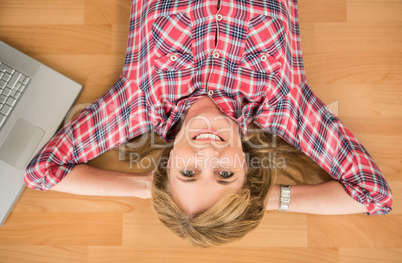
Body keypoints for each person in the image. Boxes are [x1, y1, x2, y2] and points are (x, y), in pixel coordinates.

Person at [24, 0, 393, 247]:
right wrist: (264, 200)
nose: (207, 152)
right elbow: (373, 196)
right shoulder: (282, 102)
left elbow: (42, 173)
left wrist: (152, 190)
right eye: (225, 175)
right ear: (248, 170)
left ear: (165, 168)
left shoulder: (139, 101)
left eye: (187, 173)